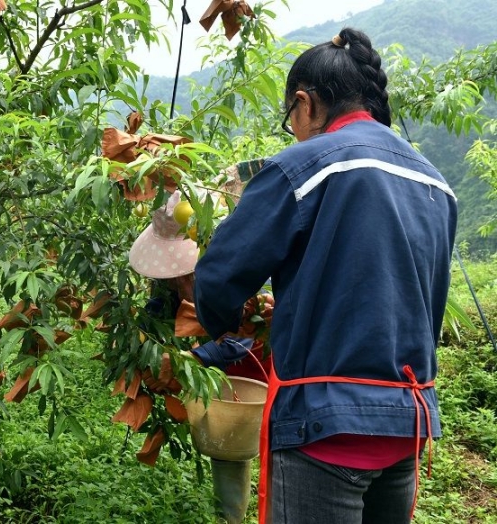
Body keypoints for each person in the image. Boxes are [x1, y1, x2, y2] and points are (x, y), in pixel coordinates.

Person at [193, 28, 457, 524]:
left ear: (304, 103)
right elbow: (421, 301)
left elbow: (219, 276)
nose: (292, 129)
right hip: (408, 422)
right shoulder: (435, 183)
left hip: (324, 425)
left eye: (290, 117)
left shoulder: (303, 167)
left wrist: (229, 328)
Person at [129, 188, 272, 524]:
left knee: (267, 441)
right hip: (213, 372)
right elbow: (158, 314)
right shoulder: (170, 282)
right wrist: (147, 348)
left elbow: (245, 334)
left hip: (255, 365)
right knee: (228, 441)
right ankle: (229, 515)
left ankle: (266, 509)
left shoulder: (236, 266)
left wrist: (195, 359)